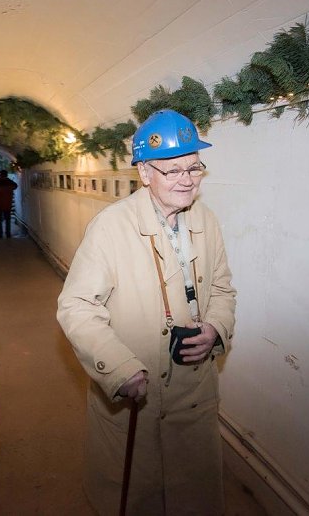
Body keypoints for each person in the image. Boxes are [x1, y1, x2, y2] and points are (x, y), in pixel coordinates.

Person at [56, 109, 237, 515]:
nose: (187, 180)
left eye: (194, 167)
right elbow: (76, 306)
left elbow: (223, 288)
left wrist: (215, 327)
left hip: (196, 391)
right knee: (140, 494)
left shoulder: (207, 220)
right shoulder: (110, 227)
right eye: (173, 171)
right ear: (144, 173)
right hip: (140, 393)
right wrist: (120, 368)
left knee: (194, 494)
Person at [0, 169, 18, 238]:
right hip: (7, 203)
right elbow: (15, 186)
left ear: (0, 174)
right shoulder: (10, 182)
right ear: (6, 175)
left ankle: (0, 233)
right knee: (8, 219)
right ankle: (8, 233)